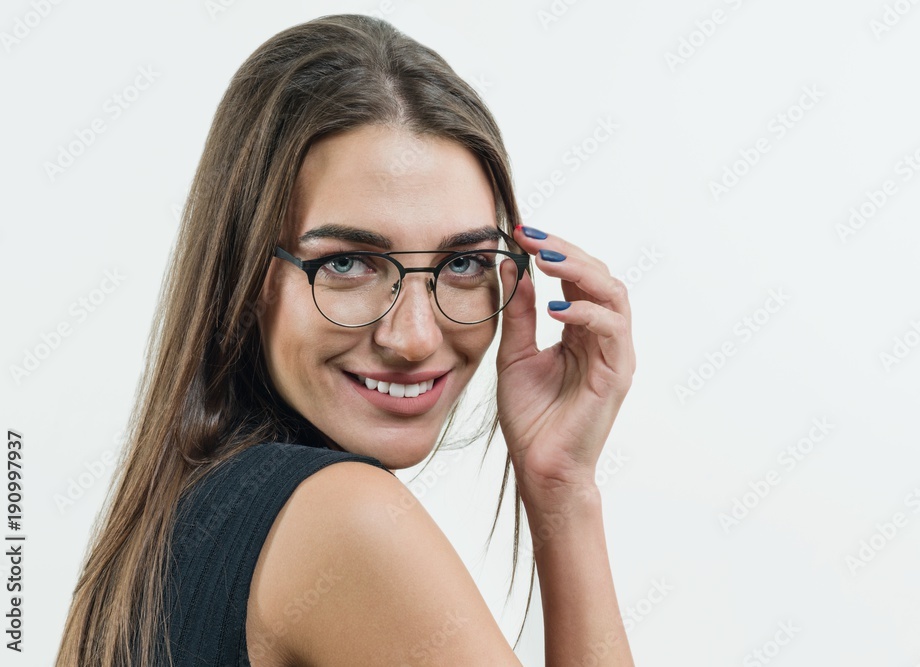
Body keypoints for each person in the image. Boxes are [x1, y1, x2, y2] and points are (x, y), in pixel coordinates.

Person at [55, 14, 635, 666]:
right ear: (246, 275)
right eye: (347, 263)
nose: (414, 338)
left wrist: (562, 482)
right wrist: (571, 509)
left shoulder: (164, 540)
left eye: (465, 263)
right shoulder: (341, 519)